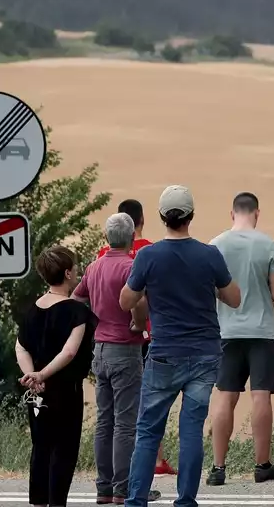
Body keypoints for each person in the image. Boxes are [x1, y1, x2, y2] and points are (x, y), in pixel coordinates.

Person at [121, 185, 242, 507]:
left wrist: (146, 297)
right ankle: (186, 500)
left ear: (162, 217)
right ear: (191, 216)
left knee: (148, 430)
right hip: (204, 353)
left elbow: (126, 300)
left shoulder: (148, 256)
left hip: (164, 353)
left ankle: (136, 500)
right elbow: (234, 298)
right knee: (191, 430)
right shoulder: (209, 255)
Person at [74, 213, 160, 505]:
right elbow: (140, 303)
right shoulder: (131, 266)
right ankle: (124, 488)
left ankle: (104, 487)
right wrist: (137, 323)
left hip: (100, 348)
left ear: (106, 237)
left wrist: (91, 324)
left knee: (104, 421)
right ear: (132, 237)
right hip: (125, 348)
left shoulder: (94, 267)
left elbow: (76, 298)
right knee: (126, 423)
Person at [207, 192, 274, 486]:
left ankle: (217, 468)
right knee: (261, 395)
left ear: (232, 214)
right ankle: (262, 464)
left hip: (226, 332)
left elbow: (210, 291)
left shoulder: (215, 246)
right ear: (257, 213)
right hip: (262, 332)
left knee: (225, 396)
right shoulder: (268, 244)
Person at [95, 199, 176, 478]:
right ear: (140, 221)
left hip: (107, 340)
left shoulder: (101, 255)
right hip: (145, 335)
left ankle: (109, 477)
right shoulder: (151, 250)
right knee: (148, 400)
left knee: (109, 415)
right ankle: (153, 460)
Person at [16, 245, 95, 507]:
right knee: (63, 449)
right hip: (66, 391)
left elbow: (21, 346)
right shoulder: (76, 311)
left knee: (41, 445)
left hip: (36, 393)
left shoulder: (32, 309)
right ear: (69, 273)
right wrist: (43, 374)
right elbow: (70, 352)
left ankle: (38, 501)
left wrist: (31, 375)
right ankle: (56, 502)